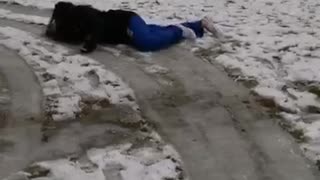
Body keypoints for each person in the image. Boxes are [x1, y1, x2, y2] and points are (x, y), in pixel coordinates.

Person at [46, 1, 222, 53]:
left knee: (147, 43)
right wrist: (54, 32)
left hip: (126, 22)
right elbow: (56, 33)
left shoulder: (82, 12)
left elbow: (97, 26)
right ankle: (199, 24)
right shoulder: (68, 27)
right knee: (152, 32)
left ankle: (180, 31)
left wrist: (90, 44)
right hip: (126, 32)